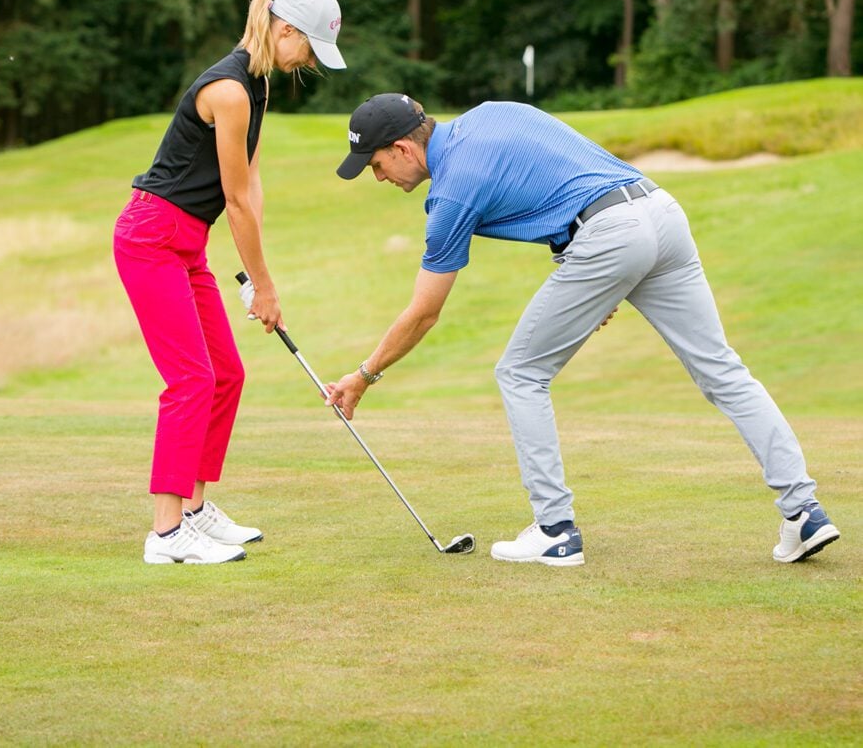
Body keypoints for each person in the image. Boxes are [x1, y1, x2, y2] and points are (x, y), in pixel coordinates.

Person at [326, 94, 840, 567]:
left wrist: (364, 376)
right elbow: (559, 173)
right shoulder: (491, 113)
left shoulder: (451, 194)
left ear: (402, 149)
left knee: (520, 373)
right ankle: (804, 511)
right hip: (660, 212)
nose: (379, 177)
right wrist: (599, 277)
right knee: (722, 369)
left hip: (609, 236)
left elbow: (424, 313)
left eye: (375, 165)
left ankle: (555, 530)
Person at [114, 0, 345, 564]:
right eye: (310, 47)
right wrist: (263, 286)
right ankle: (166, 533)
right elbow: (235, 201)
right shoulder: (229, 89)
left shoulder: (258, 86)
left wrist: (258, 275)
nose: (309, 62)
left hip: (186, 243)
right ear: (285, 29)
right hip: (151, 236)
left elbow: (250, 181)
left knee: (226, 375)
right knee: (191, 379)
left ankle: (194, 509)